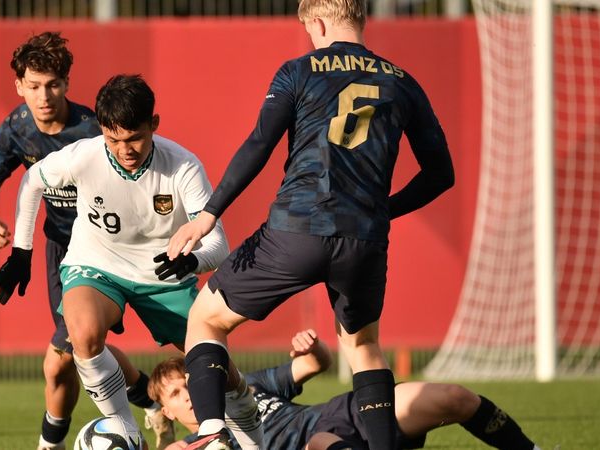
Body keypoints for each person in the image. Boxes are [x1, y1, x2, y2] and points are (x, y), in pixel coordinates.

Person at [165, 1, 456, 449]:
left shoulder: (299, 71)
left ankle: (210, 431)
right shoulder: (402, 82)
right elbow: (442, 174)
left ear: (316, 23)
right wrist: (383, 211)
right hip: (365, 240)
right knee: (363, 349)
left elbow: (259, 144)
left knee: (205, 320)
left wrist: (208, 214)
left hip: (296, 230)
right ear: (360, 20)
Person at [0, 74, 262, 450]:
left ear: (153, 124)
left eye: (135, 137)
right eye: (113, 139)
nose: (125, 149)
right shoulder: (84, 156)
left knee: (222, 375)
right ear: (103, 130)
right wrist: (21, 252)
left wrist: (194, 262)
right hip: (97, 264)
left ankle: (253, 438)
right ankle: (125, 429)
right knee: (82, 333)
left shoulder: (182, 165)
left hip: (165, 276)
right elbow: (32, 183)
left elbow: (218, 242)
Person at [0, 33, 172, 450]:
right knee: (75, 349)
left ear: (66, 83)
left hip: (109, 248)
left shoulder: (93, 129)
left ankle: (54, 442)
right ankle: (147, 404)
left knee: (64, 356)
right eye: (33, 85)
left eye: (52, 84)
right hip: (61, 253)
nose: (43, 95)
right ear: (19, 86)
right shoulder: (15, 130)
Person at [148, 329, 544, 450]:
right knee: (320, 444)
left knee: (453, 398)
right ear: (167, 411)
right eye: (177, 394)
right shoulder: (194, 445)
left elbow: (316, 365)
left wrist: (312, 348)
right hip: (318, 445)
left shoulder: (247, 386)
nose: (189, 394)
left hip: (342, 413)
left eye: (190, 384)